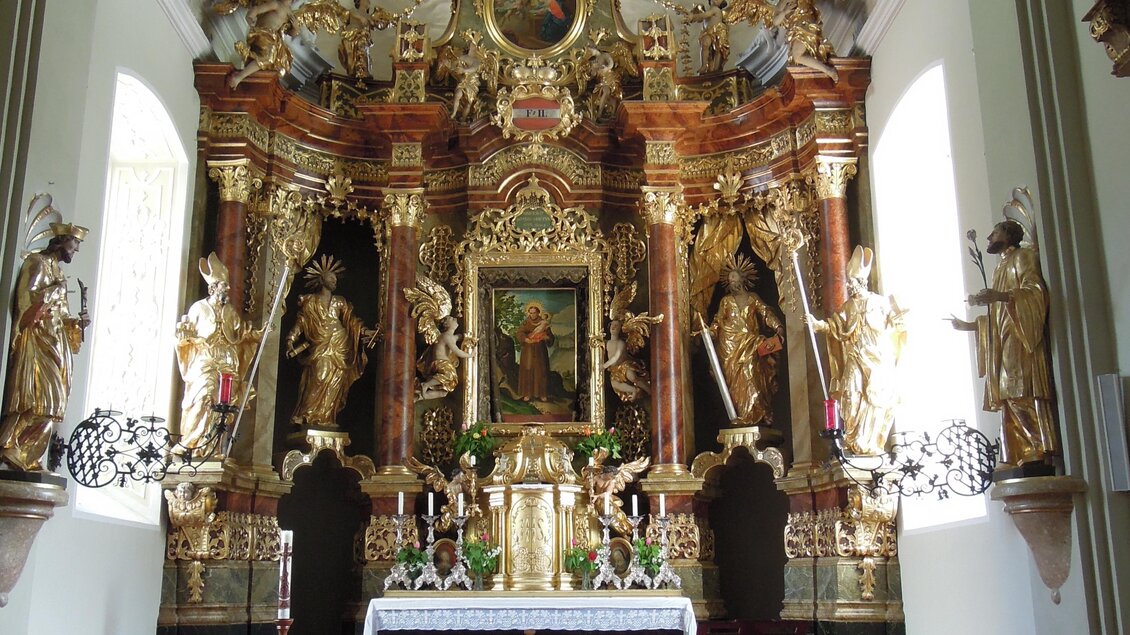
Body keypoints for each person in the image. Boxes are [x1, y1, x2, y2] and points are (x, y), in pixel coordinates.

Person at [950, 220, 1058, 468]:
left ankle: (1037, 448)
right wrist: (969, 325)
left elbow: (1035, 291)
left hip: (1019, 336)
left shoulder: (1022, 257)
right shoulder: (1000, 266)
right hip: (1002, 337)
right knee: (1007, 395)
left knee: (1019, 391)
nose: (989, 237)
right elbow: (995, 316)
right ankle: (1020, 452)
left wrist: (1000, 296)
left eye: (995, 232)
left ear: (1008, 235)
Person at [0, 223, 91, 471]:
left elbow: (62, 315)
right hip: (38, 340)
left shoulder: (59, 273)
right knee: (40, 397)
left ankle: (28, 455)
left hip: (56, 340)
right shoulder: (37, 263)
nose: (76, 250)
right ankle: (10, 443)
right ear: (61, 240)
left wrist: (77, 323)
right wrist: (54, 291)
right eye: (74, 243)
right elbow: (26, 301)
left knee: (56, 402)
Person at [807, 246, 907, 455]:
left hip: (877, 360)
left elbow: (897, 325)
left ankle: (869, 443)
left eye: (852, 282)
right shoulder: (849, 307)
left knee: (875, 400)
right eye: (848, 282)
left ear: (862, 282)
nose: (849, 286)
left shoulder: (880, 303)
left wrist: (899, 319)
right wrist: (818, 325)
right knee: (850, 396)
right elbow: (837, 327)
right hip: (855, 358)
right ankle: (853, 438)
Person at [175, 253, 260, 453]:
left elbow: (241, 334)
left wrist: (257, 334)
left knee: (224, 404)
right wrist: (186, 337)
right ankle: (191, 443)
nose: (228, 289)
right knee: (203, 396)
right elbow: (186, 335)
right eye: (224, 285)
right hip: (205, 360)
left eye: (227, 285)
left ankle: (213, 449)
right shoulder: (198, 308)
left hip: (227, 360)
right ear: (213, 287)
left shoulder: (230, 311)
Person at [286, 255, 378, 428]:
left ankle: (326, 419)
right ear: (321, 280)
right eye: (331, 278)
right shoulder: (310, 301)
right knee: (318, 377)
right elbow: (301, 323)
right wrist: (291, 338)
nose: (334, 281)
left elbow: (351, 322)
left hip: (341, 346)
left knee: (335, 384)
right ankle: (306, 415)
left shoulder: (340, 302)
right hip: (320, 345)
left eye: (335, 279)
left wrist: (366, 332)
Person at [708, 254, 783, 425]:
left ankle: (757, 412)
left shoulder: (753, 298)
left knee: (752, 373)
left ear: (742, 279)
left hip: (751, 344)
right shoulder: (726, 301)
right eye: (729, 280)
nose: (732, 283)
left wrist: (778, 326)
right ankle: (741, 415)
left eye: (734, 279)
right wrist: (710, 332)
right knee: (735, 384)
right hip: (730, 346)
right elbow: (718, 321)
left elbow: (766, 313)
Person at [229, 0, 299, 89]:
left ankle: (254, 74)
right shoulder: (276, 4)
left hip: (273, 40)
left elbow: (291, 32)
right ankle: (239, 77)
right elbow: (256, 9)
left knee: (279, 64)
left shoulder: (290, 13)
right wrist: (250, 18)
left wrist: (296, 28)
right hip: (263, 34)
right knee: (269, 57)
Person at [417, 316, 472, 401]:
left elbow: (457, 337)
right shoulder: (446, 336)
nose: (455, 319)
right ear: (446, 324)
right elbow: (457, 351)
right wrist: (470, 355)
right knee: (449, 376)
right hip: (441, 363)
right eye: (452, 319)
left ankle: (421, 396)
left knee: (444, 391)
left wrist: (464, 336)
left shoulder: (449, 337)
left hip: (440, 363)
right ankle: (426, 385)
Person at [603, 320, 650, 402]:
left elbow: (616, 357)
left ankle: (649, 390)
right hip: (614, 370)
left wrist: (604, 365)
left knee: (632, 377)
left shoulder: (621, 343)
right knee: (615, 384)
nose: (613, 327)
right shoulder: (607, 343)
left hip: (624, 365)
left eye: (616, 325)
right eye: (612, 325)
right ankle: (634, 390)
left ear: (620, 329)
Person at [515, 302, 554, 402]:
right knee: (528, 370)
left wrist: (546, 337)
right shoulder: (525, 322)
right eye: (531, 313)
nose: (532, 315)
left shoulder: (544, 323)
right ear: (528, 313)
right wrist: (525, 339)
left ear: (538, 313)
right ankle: (527, 394)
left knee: (541, 371)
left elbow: (550, 337)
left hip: (540, 351)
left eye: (534, 313)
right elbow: (519, 333)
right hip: (528, 350)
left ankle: (542, 394)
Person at [686, 0, 730, 74]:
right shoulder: (708, 10)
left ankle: (716, 68)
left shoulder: (716, 9)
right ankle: (704, 65)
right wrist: (691, 18)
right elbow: (701, 18)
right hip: (708, 32)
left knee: (718, 50)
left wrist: (693, 16)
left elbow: (705, 15)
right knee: (705, 44)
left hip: (717, 32)